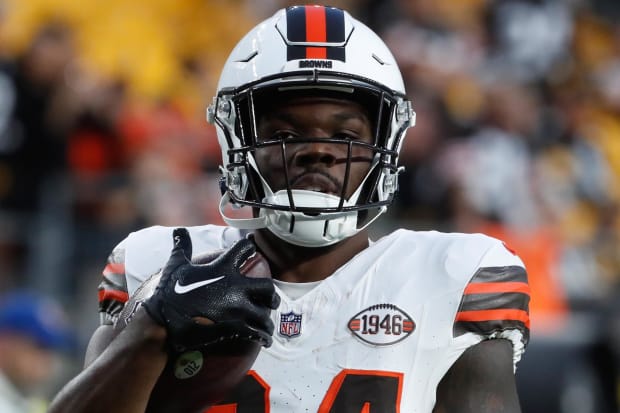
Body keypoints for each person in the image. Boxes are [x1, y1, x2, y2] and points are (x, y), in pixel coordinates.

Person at [49, 5, 530, 412]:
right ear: (237, 142)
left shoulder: (452, 276)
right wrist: (151, 331)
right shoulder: (162, 265)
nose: (315, 150)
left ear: (383, 146)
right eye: (283, 134)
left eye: (343, 135)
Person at [0, 290, 74, 413]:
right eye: (40, 347)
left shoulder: (25, 401)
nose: (47, 360)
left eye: (52, 350)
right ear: (5, 344)